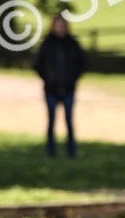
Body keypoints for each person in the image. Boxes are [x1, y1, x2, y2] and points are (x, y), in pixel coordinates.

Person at [33, 14, 87, 156]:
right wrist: (48, 79)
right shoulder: (47, 44)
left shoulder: (72, 44)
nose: (61, 28)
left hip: (68, 89)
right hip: (51, 90)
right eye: (58, 25)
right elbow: (37, 65)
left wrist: (72, 78)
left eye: (63, 25)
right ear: (53, 26)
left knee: (69, 121)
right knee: (51, 122)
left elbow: (82, 64)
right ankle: (51, 152)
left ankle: (71, 151)